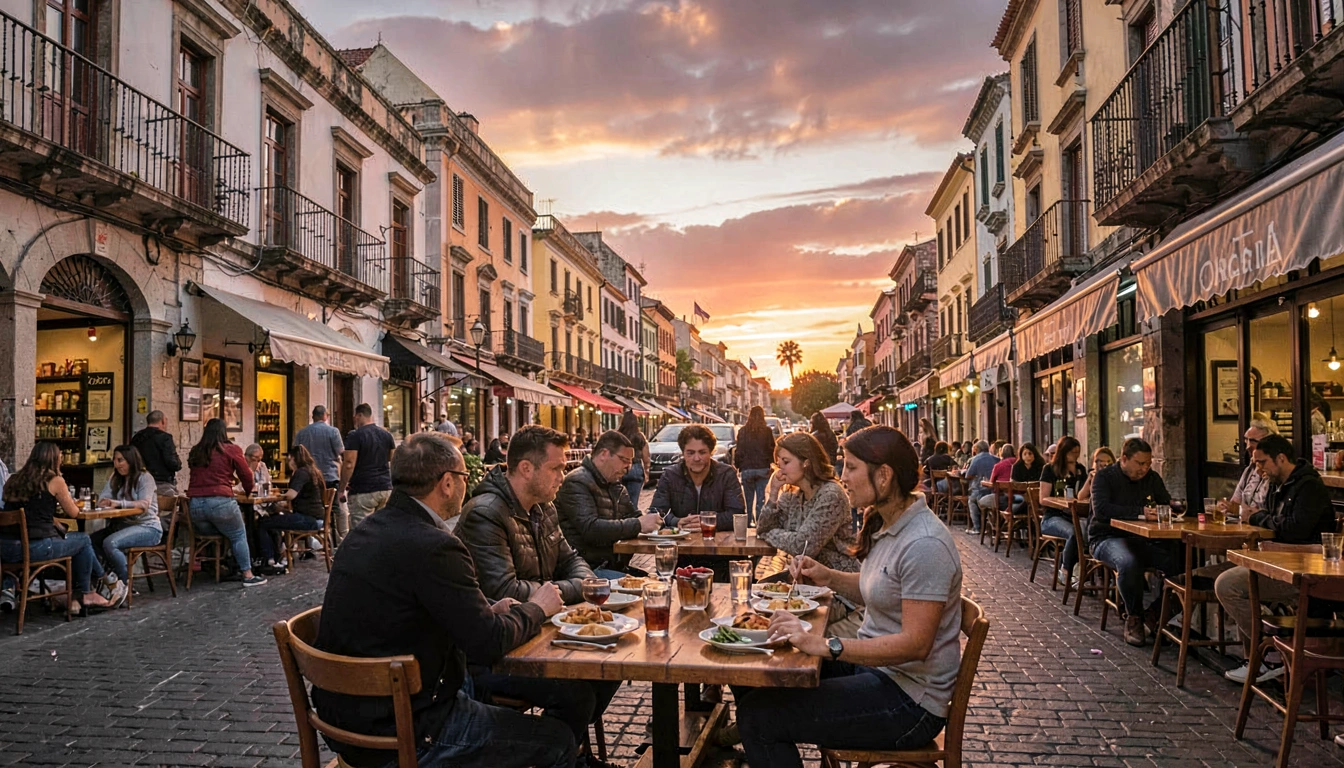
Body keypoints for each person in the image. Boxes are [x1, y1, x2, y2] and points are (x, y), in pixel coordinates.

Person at [311, 432, 574, 768]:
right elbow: (488, 643)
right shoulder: (435, 546)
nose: (468, 484)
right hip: (409, 729)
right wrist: (539, 608)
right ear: (447, 483)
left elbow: (405, 614)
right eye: (465, 477)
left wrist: (485, 612)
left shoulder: (364, 531)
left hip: (342, 720)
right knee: (558, 741)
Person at [735, 426, 962, 767]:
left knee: (758, 717)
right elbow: (879, 588)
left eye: (852, 467)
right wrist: (828, 576)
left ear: (883, 476)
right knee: (755, 676)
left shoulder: (925, 543)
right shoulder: (889, 522)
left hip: (908, 702)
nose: (843, 477)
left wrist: (826, 645)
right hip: (876, 673)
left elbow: (916, 644)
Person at [456, 426, 618, 757]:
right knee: (576, 692)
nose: (564, 474)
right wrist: (568, 592)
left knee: (609, 662)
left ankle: (570, 754)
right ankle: (559, 753)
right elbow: (506, 590)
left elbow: (573, 560)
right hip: (494, 654)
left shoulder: (544, 508)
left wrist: (579, 586)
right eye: (557, 467)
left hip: (538, 635)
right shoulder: (486, 512)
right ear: (526, 468)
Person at [1215, 434, 1335, 684]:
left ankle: (1271, 656)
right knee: (1236, 577)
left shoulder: (1308, 486)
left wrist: (1256, 517)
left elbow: (1294, 529)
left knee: (1228, 585)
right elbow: (1273, 519)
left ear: (1281, 458)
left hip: (1304, 572)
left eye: (1262, 462)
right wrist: (1258, 517)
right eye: (1256, 463)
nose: (1258, 469)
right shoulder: (1278, 485)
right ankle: (1261, 658)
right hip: (1276, 562)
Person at [757, 432, 862, 638]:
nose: (780, 469)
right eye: (779, 463)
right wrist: (773, 494)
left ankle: (796, 668)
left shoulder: (831, 494)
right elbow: (763, 528)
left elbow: (802, 545)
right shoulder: (793, 494)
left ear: (806, 462)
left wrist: (774, 533)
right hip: (804, 586)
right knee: (758, 598)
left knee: (776, 619)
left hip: (838, 591)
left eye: (786, 462)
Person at [1, 442, 128, 612]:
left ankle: (95, 588)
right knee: (83, 540)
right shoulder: (54, 480)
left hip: (6, 547)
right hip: (36, 547)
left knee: (79, 544)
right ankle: (88, 592)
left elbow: (27, 510)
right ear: (54, 459)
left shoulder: (13, 480)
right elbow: (74, 512)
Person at [1088, 437, 1177, 646]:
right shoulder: (1104, 477)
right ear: (1124, 459)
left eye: (1148, 463)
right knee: (1128, 562)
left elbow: (1165, 502)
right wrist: (1141, 513)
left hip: (1141, 539)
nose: (1145, 468)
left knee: (1180, 564)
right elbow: (1102, 511)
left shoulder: (1152, 478)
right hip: (1105, 537)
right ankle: (1134, 617)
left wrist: (1171, 508)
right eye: (1140, 463)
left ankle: (1154, 615)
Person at [555, 430, 660, 579]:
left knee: (658, 582)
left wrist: (662, 523)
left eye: (630, 462)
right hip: (586, 571)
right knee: (651, 588)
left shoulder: (615, 485)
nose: (628, 467)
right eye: (624, 460)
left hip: (611, 566)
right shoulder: (577, 482)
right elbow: (591, 529)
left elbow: (634, 515)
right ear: (604, 454)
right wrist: (638, 524)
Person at [187, 418, 265, 587]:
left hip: (195, 506)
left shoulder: (196, 451)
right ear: (224, 432)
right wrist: (247, 489)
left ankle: (219, 565)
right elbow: (246, 475)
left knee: (220, 532)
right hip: (220, 501)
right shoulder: (231, 450)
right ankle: (248, 574)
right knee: (238, 534)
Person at [649, 424, 746, 533]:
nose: (696, 458)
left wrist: (708, 522)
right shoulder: (670, 475)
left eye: (702, 452)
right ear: (683, 453)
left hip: (716, 544)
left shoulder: (726, 475)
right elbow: (655, 512)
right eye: (690, 453)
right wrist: (676, 521)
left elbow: (738, 514)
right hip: (680, 544)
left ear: (711, 452)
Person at [91, 445, 162, 585]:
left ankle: (123, 585)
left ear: (131, 460)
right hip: (124, 526)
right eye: (115, 460)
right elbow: (103, 500)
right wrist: (105, 501)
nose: (116, 464)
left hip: (148, 527)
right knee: (89, 542)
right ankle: (107, 577)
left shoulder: (144, 478)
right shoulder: (117, 477)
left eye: (120, 460)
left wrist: (118, 503)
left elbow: (144, 504)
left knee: (110, 543)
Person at [256, 445, 327, 570]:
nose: (288, 462)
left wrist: (280, 496)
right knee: (275, 520)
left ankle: (269, 559)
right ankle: (278, 555)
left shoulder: (301, 472)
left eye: (289, 459)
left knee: (263, 523)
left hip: (307, 519)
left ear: (294, 458)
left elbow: (291, 495)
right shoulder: (314, 471)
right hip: (317, 518)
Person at [1038, 436, 1088, 586]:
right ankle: (1065, 570)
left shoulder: (1080, 470)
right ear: (1064, 452)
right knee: (1074, 532)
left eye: (1078, 452)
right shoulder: (1049, 469)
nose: (1076, 456)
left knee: (1087, 531)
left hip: (1075, 515)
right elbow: (1043, 499)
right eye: (1072, 452)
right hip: (1052, 517)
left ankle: (1080, 572)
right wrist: (1061, 503)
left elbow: (1084, 494)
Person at [338, 403, 396, 531]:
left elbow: (349, 463)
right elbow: (392, 459)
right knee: (382, 529)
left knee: (362, 532)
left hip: (363, 490)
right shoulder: (386, 435)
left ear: (359, 415)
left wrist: (342, 488)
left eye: (355, 418)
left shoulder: (355, 436)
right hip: (385, 488)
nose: (355, 421)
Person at [295, 405, 346, 544]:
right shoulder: (333, 431)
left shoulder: (301, 433)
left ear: (313, 417)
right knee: (334, 509)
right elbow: (341, 453)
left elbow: (294, 455)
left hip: (308, 479)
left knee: (307, 509)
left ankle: (306, 544)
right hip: (329, 477)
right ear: (325, 416)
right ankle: (338, 541)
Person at [1217, 422, 1274, 521]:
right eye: (1246, 440)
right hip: (1244, 528)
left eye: (1253, 441)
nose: (1248, 446)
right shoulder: (1249, 470)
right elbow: (1236, 504)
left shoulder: (1275, 474)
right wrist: (1225, 506)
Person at [734, 405, 777, 525]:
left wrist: (738, 466)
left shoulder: (743, 431)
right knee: (760, 499)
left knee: (748, 500)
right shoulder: (767, 431)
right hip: (762, 468)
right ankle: (759, 522)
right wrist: (771, 463)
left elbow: (739, 450)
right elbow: (771, 448)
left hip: (747, 469)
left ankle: (747, 523)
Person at [130, 410, 182, 496]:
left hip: (140, 481)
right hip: (162, 482)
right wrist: (178, 463)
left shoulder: (137, 437)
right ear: (163, 421)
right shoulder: (165, 438)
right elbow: (172, 462)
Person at [975, 444, 1017, 523]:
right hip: (1018, 498)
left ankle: (994, 523)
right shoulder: (1019, 464)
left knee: (980, 501)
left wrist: (984, 482)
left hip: (1002, 499)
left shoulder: (999, 466)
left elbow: (991, 483)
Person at [962, 440, 997, 535]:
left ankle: (977, 527)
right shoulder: (996, 459)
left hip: (980, 490)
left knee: (971, 500)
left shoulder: (975, 459)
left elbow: (968, 475)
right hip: (994, 491)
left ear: (976, 449)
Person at [618, 410, 650, 508]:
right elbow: (646, 458)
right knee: (633, 502)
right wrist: (646, 472)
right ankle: (633, 520)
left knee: (619, 501)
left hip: (620, 468)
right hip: (636, 468)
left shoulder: (619, 436)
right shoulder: (640, 437)